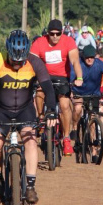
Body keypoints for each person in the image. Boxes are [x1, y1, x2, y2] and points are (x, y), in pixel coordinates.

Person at [0, 30, 55, 205]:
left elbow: (48, 87)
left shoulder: (35, 62)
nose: (17, 64)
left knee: (30, 141)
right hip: (0, 109)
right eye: (14, 60)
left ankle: (30, 186)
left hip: (25, 109)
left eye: (20, 61)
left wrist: (52, 110)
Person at [30, 19, 83, 156]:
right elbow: (31, 62)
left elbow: (75, 61)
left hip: (62, 78)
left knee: (65, 105)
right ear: (47, 33)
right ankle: (41, 118)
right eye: (51, 34)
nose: (54, 37)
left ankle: (66, 138)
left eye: (57, 34)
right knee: (39, 93)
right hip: (44, 76)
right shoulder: (39, 42)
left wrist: (79, 77)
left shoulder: (68, 41)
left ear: (62, 32)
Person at [70, 45, 103, 133]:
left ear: (95, 56)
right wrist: (72, 87)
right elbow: (71, 78)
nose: (90, 59)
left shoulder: (100, 64)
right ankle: (74, 126)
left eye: (92, 57)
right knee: (77, 108)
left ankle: (91, 142)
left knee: (93, 117)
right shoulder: (78, 63)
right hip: (78, 93)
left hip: (94, 94)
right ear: (83, 56)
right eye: (87, 57)